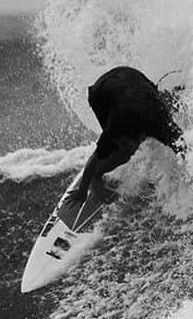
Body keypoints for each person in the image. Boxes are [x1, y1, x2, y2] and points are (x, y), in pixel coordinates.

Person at [67, 65, 183, 211]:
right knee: (121, 154)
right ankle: (97, 177)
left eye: (127, 144)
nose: (128, 148)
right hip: (102, 91)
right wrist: (82, 191)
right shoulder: (116, 126)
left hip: (131, 78)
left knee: (153, 101)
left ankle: (174, 95)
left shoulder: (160, 124)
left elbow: (183, 149)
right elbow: (94, 159)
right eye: (124, 143)